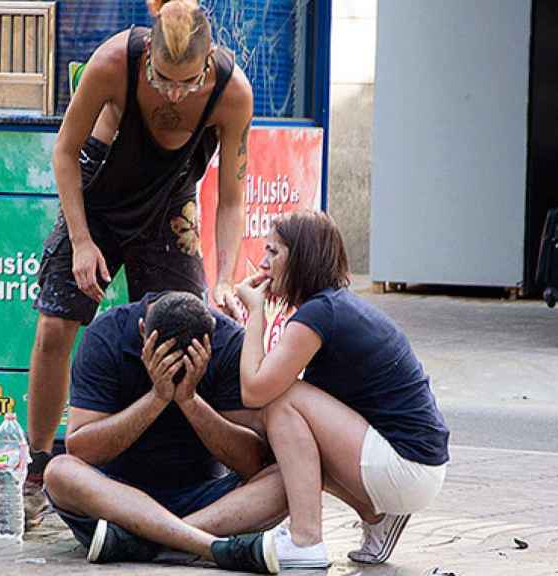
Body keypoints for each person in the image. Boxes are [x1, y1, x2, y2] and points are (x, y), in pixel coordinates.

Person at [26, 0, 254, 520]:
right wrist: (82, 242)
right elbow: (64, 152)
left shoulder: (231, 92)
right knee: (55, 328)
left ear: (209, 61)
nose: (176, 93)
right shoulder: (114, 62)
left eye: (189, 82)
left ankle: (175, 467)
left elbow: (234, 198)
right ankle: (40, 465)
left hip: (169, 206)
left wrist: (225, 276)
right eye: (164, 80)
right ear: (148, 52)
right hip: (98, 197)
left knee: (184, 330)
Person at [233, 210, 450, 566]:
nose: (262, 263)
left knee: (281, 402)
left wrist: (255, 312)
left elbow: (254, 391)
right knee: (288, 430)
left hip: (408, 466)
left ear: (301, 257)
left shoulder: (318, 316)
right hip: (417, 468)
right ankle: (378, 518)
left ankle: (305, 541)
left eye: (273, 253)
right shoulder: (332, 308)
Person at [42, 291, 286, 574]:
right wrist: (157, 398)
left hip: (207, 503)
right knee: (59, 471)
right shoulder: (107, 334)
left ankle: (150, 542)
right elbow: (81, 449)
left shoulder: (229, 341)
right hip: (116, 501)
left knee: (292, 476)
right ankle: (205, 545)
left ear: (210, 339)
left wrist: (189, 401)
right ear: (142, 329)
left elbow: (254, 463)